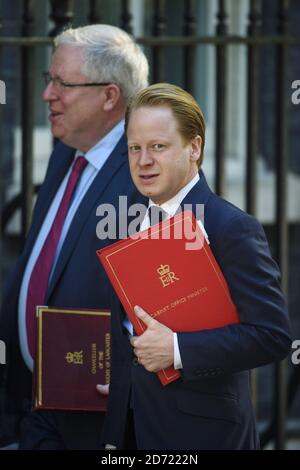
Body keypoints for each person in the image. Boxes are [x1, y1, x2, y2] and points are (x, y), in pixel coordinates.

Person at [101, 83, 292, 450]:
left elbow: (273, 336)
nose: (143, 161)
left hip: (203, 437)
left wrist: (176, 349)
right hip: (129, 432)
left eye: (158, 146)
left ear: (194, 148)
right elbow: (133, 334)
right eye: (134, 148)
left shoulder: (230, 226)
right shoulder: (129, 223)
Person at [0, 24, 148, 449]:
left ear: (109, 96)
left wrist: (130, 386)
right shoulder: (66, 150)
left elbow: (172, 312)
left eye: (63, 83)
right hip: (35, 410)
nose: (48, 95)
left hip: (98, 427)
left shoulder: (148, 172)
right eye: (50, 80)